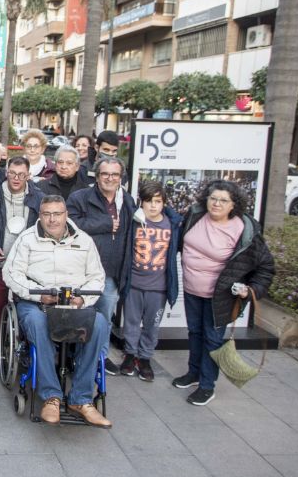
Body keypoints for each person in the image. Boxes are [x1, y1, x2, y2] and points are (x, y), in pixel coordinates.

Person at [2, 195, 111, 428]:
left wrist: (83, 298)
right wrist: (39, 294)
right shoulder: (27, 239)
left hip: (73, 304)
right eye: (47, 214)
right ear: (40, 216)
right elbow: (10, 274)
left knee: (100, 324)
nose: (52, 219)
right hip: (37, 303)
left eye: (57, 214)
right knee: (38, 325)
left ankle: (81, 398)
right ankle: (51, 396)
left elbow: (97, 277)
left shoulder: (84, 240)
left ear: (66, 215)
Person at [173, 180, 274, 406]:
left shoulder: (244, 230)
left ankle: (207, 386)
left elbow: (266, 267)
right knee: (195, 332)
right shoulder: (196, 216)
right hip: (191, 289)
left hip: (220, 296)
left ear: (233, 205)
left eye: (223, 200)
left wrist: (251, 290)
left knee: (212, 339)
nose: (216, 203)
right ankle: (194, 373)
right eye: (213, 198)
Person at [67, 156, 135, 375]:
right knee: (82, 317)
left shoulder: (127, 201)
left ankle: (100, 358)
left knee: (105, 320)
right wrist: (105, 224)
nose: (110, 178)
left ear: (121, 177)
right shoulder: (80, 197)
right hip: (83, 272)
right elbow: (70, 225)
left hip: (112, 272)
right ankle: (77, 358)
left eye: (115, 174)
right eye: (105, 174)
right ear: (97, 176)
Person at [120, 180, 182, 381]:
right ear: (142, 202)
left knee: (151, 325)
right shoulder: (134, 221)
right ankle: (130, 354)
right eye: (149, 201)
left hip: (159, 287)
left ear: (164, 202)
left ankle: (145, 357)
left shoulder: (171, 224)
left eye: (158, 201)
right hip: (135, 284)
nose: (153, 206)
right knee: (130, 322)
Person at [0, 156, 42, 360]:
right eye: (12, 173)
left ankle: (25, 343)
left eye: (21, 175)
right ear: (6, 172)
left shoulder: (38, 198)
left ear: (28, 175)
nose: (16, 178)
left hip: (26, 262)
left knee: (25, 304)